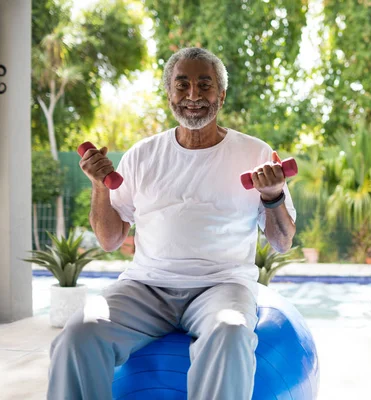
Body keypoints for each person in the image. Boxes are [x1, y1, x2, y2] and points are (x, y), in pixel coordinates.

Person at [47, 47, 297, 400]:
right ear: (169, 94)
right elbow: (109, 240)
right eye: (182, 85)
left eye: (204, 85)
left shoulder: (255, 153)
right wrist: (98, 186)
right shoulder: (142, 154)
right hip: (147, 287)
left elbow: (282, 242)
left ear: (221, 95)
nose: (193, 95)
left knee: (231, 331)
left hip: (221, 286)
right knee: (78, 333)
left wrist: (273, 194)